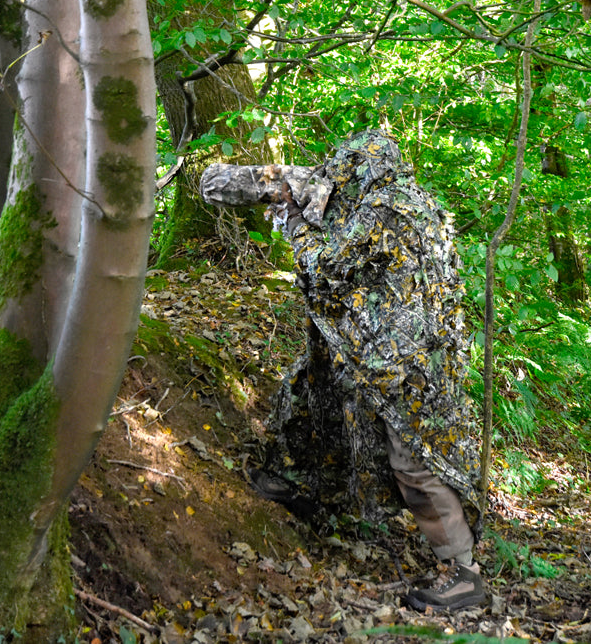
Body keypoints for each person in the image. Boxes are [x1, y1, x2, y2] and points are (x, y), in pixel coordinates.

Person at [200, 130, 485, 611]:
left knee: (412, 460)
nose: (338, 182)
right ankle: (300, 486)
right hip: (387, 349)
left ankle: (465, 573)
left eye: (345, 172)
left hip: (404, 365)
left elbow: (330, 264)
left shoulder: (386, 209)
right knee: (312, 388)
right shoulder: (414, 201)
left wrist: (292, 221)